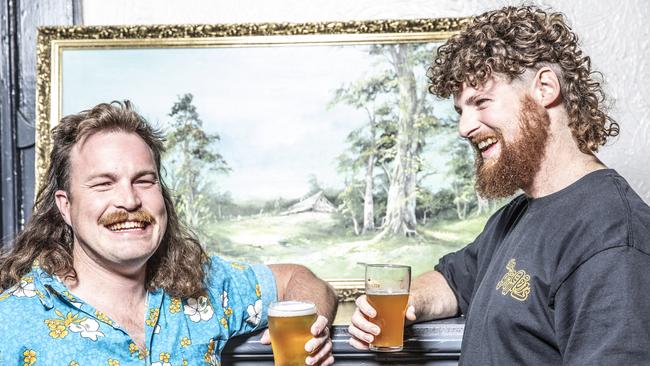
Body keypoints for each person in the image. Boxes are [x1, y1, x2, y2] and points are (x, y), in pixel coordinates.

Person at [348, 5, 650, 365]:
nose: (464, 127)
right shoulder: (518, 215)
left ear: (545, 88)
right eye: (461, 110)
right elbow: (455, 282)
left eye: (481, 102)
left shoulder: (612, 237)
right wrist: (407, 301)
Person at [0, 101, 337, 365]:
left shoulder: (204, 289)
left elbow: (300, 278)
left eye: (144, 180)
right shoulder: (11, 322)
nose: (129, 200)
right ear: (65, 206)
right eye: (104, 183)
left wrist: (311, 325)